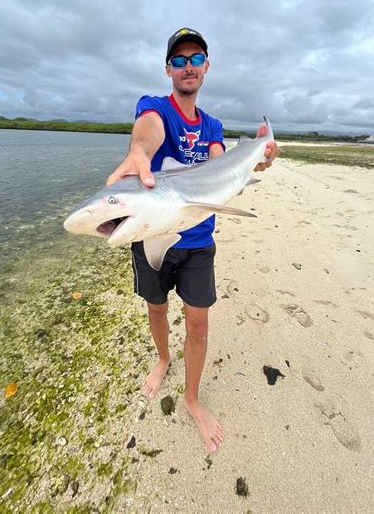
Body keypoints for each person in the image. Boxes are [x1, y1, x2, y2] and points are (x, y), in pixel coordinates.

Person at [107, 28, 279, 453]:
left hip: (199, 241)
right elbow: (147, 134)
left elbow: (220, 165)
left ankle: (192, 398)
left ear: (206, 66)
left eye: (195, 58)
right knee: (156, 309)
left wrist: (248, 165)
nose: (188, 66)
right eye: (179, 60)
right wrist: (140, 155)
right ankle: (163, 358)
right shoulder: (155, 109)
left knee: (199, 324)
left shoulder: (213, 126)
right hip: (153, 234)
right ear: (168, 68)